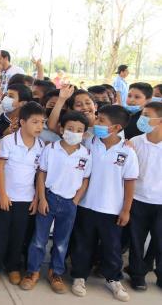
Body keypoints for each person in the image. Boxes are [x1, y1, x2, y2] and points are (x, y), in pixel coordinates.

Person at [70, 105, 138, 302]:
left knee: (112, 247)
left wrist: (126, 209)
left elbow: (130, 182)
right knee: (82, 244)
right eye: (97, 118)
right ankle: (79, 276)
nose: (96, 123)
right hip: (86, 205)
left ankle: (113, 279)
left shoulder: (127, 152)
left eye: (101, 121)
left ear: (116, 128)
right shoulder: (90, 142)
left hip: (111, 209)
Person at [20, 111, 91, 293]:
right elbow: (41, 174)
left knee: (61, 241)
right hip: (49, 198)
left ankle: (55, 272)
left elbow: (85, 179)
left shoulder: (86, 154)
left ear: (84, 133)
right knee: (39, 239)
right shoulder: (50, 149)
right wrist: (42, 199)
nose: (74, 132)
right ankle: (33, 271)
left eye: (79, 130)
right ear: (61, 129)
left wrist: (75, 200)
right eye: (70, 128)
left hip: (69, 203)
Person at [0, 102, 45, 287]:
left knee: (18, 235)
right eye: (35, 122)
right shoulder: (9, 141)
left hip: (25, 199)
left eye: (42, 122)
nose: (39, 127)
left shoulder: (41, 145)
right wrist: (2, 194)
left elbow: (39, 175)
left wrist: (36, 198)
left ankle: (13, 267)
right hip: (4, 197)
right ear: (22, 122)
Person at [128, 101, 162, 291]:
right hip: (138, 199)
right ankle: (137, 274)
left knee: (159, 240)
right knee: (136, 240)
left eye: (147, 115)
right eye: (143, 114)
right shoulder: (135, 142)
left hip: (160, 202)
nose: (142, 119)